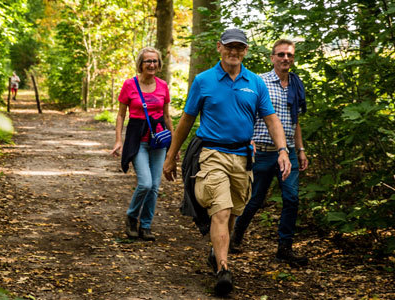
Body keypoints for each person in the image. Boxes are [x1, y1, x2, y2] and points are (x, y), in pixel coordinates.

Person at [162, 29, 291, 296]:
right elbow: (186, 119)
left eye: (239, 48)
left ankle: (215, 251)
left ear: (245, 51)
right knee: (220, 211)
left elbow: (271, 118)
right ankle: (223, 269)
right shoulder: (203, 80)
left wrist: (283, 150)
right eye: (229, 47)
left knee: (233, 212)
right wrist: (172, 156)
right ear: (219, 48)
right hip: (212, 155)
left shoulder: (255, 83)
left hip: (243, 158)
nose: (234, 52)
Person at [230, 39, 310, 267]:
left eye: (289, 55)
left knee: (292, 199)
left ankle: (284, 248)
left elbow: (296, 122)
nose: (286, 59)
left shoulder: (296, 85)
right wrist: (249, 140)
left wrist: (301, 150)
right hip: (262, 152)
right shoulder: (259, 82)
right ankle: (235, 235)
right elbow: (246, 114)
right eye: (281, 55)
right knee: (254, 200)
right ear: (272, 57)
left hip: (289, 154)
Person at [110, 47, 172, 242]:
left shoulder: (163, 86)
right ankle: (131, 216)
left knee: (154, 187)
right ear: (140, 64)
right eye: (148, 61)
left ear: (159, 64)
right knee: (145, 183)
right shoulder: (130, 85)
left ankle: (145, 226)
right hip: (138, 140)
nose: (152, 65)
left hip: (159, 140)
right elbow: (121, 115)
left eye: (155, 61)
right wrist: (119, 140)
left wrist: (173, 145)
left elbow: (167, 116)